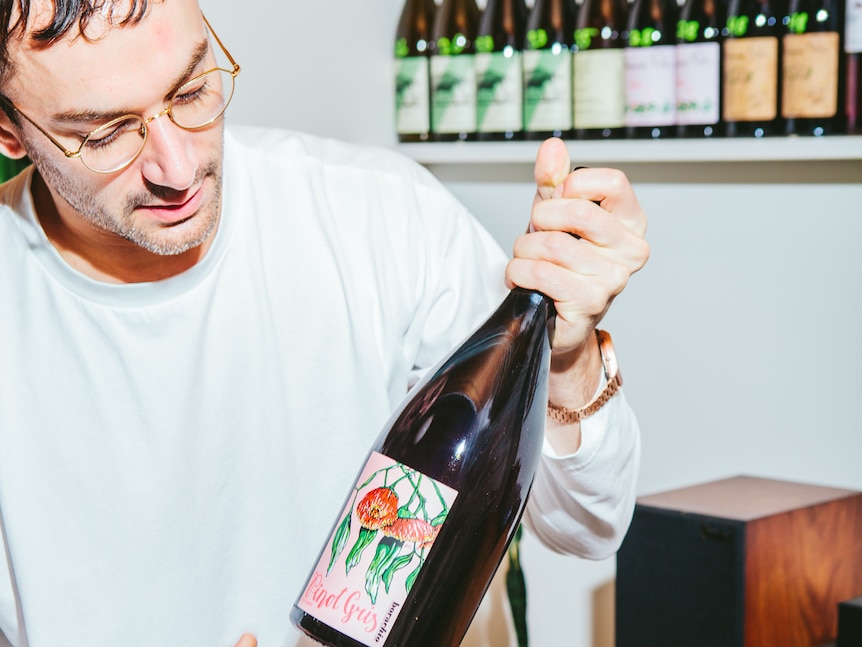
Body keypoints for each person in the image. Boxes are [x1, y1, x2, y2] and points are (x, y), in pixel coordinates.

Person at [0, 1, 649, 646]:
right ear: (8, 131)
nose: (177, 168)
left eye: (193, 88)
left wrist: (567, 360)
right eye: (105, 133)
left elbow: (585, 526)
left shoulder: (381, 216)